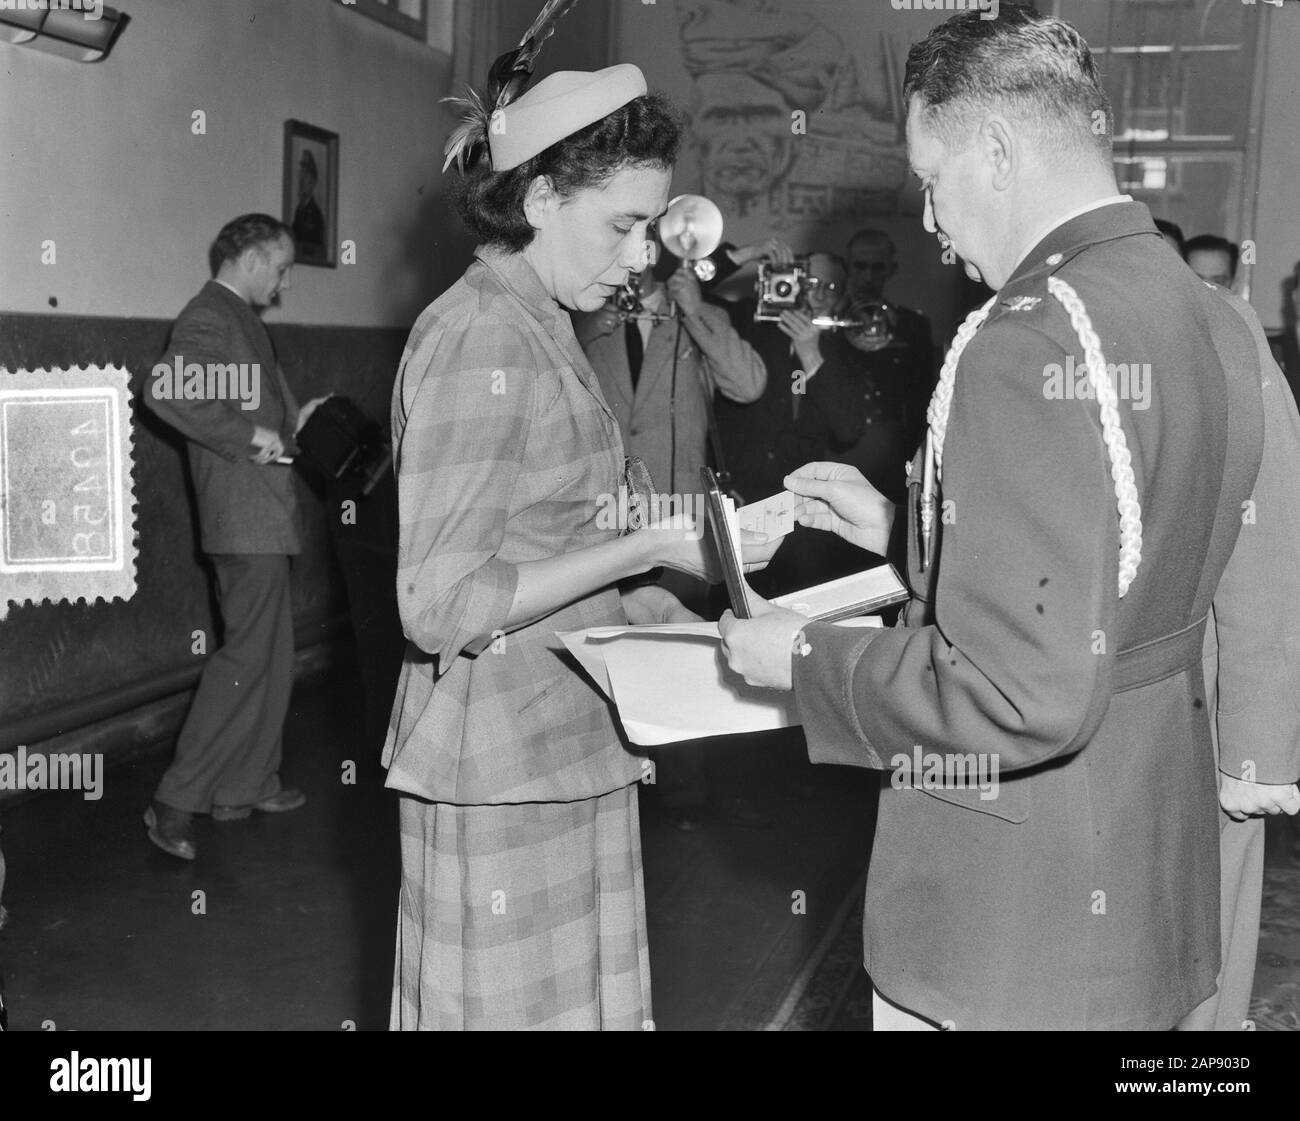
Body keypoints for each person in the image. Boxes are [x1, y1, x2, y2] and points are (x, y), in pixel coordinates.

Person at [718, 5, 1282, 1030]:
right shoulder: (1211, 313)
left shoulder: (1025, 340)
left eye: (931, 183)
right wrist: (903, 526)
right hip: (1140, 879)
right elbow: (1114, 558)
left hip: (1009, 917)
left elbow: (1019, 685)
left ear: (995, 146)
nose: (930, 222)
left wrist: (802, 662)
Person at [385, 64, 775, 1030]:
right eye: (622, 225)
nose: (644, 255)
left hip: (565, 742)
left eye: (651, 226)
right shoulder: (480, 333)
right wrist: (640, 544)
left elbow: (552, 537)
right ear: (539, 195)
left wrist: (678, 599)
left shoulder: (544, 321)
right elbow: (440, 601)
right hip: (499, 765)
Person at [143, 213, 328, 862]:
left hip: (264, 516)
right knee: (246, 659)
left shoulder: (243, 320)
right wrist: (251, 437)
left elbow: (263, 417)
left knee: (272, 656)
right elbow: (166, 390)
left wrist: (296, 422)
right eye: (279, 268)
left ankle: (244, 786)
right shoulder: (210, 316)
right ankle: (174, 801)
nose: (284, 283)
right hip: (243, 518)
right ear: (249, 258)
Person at [1177, 289, 1300, 1030]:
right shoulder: (1007, 320)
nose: (930, 222)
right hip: (1045, 720)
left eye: (934, 187)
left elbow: (1268, 532)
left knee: (1202, 984)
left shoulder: (1209, 318)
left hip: (1191, 709)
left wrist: (1255, 749)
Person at [717, 247, 850, 595]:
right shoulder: (753, 320)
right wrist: (748, 253)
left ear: (842, 299)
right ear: (791, 280)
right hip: (741, 497)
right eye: (810, 281)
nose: (819, 294)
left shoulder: (848, 344)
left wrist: (811, 353)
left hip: (804, 509)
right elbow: (689, 287)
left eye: (831, 287)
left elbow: (849, 429)